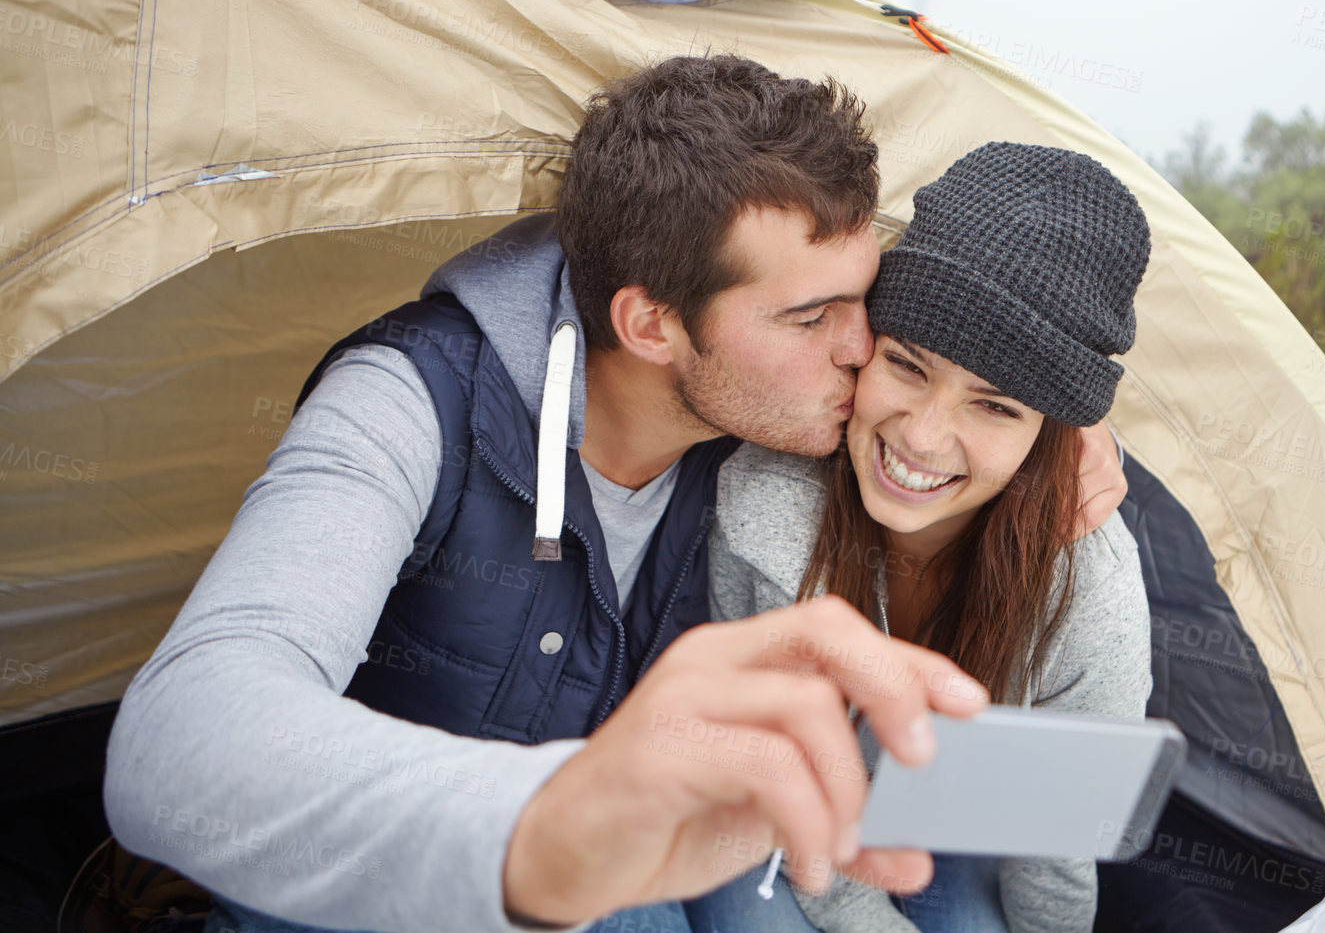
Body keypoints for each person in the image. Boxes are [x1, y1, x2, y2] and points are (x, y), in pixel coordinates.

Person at [102, 57, 1128, 933]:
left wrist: (1063, 429)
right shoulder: (410, 402)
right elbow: (175, 746)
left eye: (868, 303)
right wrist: (552, 821)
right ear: (650, 325)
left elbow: (970, 391)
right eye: (813, 315)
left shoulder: (776, 427)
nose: (862, 350)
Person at [697, 143, 1156, 933]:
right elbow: (785, 788)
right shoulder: (767, 512)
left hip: (942, 828)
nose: (924, 436)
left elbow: (1055, 845)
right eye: (907, 365)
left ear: (1051, 436)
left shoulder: (1090, 596)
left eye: (996, 407)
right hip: (765, 807)